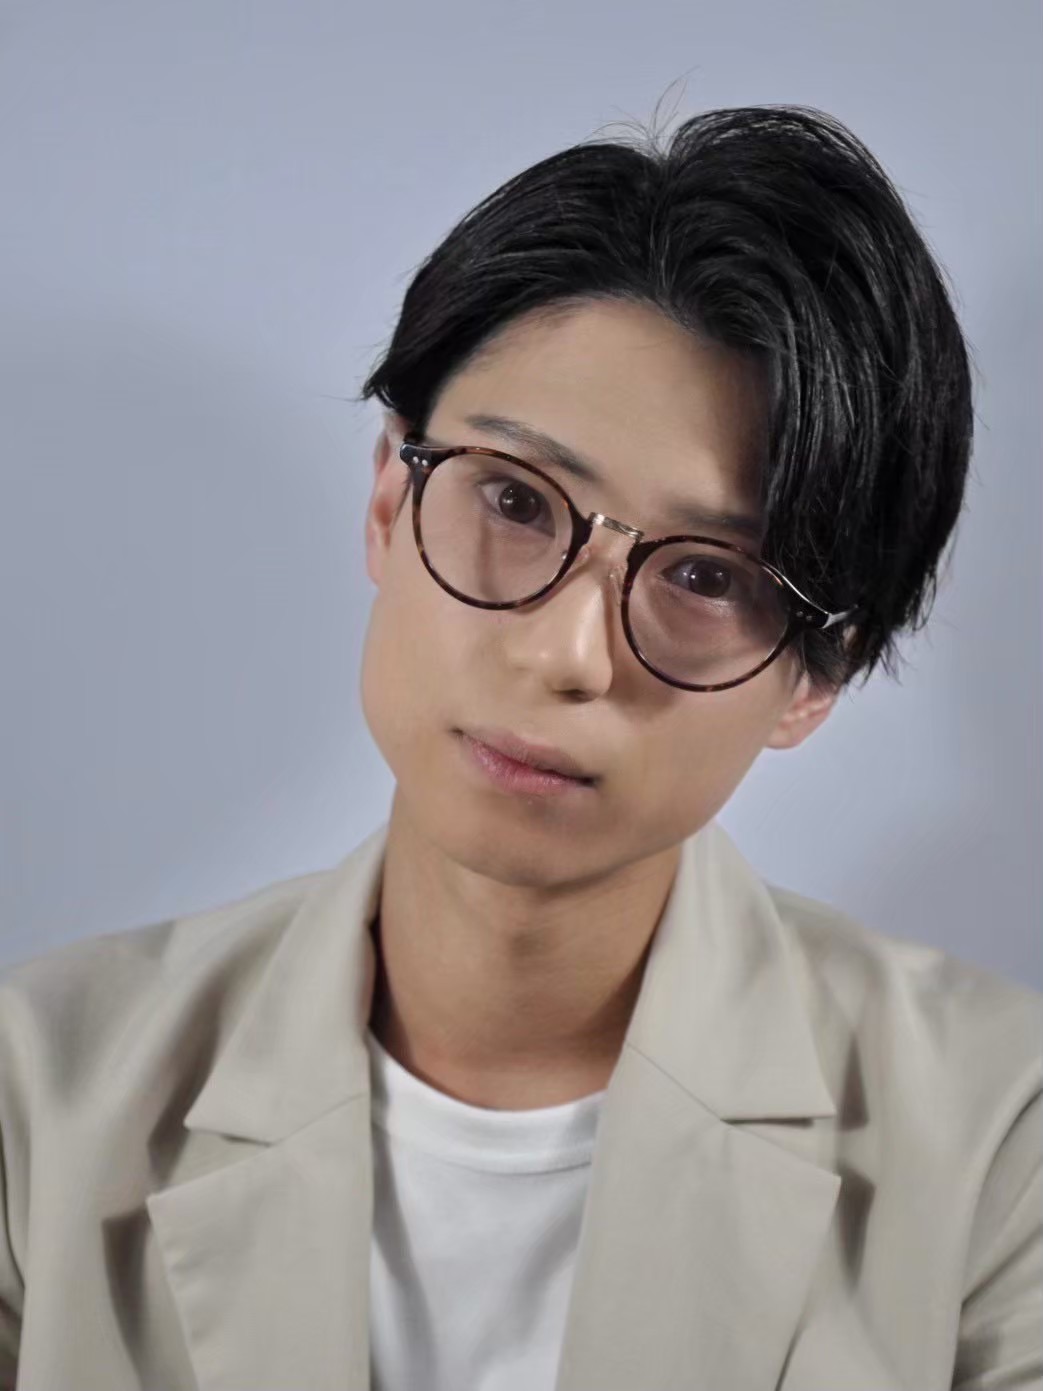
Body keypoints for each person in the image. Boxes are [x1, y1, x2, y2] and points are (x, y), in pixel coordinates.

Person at [1, 104, 1039, 1391]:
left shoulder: (1001, 1139)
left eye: (706, 575)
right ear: (389, 498)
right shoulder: (38, 1093)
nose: (568, 652)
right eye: (511, 498)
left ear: (814, 680)